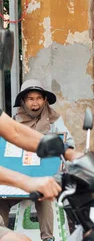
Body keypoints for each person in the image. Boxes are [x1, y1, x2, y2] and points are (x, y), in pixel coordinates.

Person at [0, 80, 76, 241]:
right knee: (1, 201)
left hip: (44, 179)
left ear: (45, 100)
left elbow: (69, 144)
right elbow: (9, 144)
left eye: (39, 98)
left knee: (44, 195)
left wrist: (65, 156)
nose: (35, 103)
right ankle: (6, 234)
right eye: (30, 99)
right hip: (17, 182)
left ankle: (47, 238)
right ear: (23, 102)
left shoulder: (55, 122)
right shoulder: (14, 121)